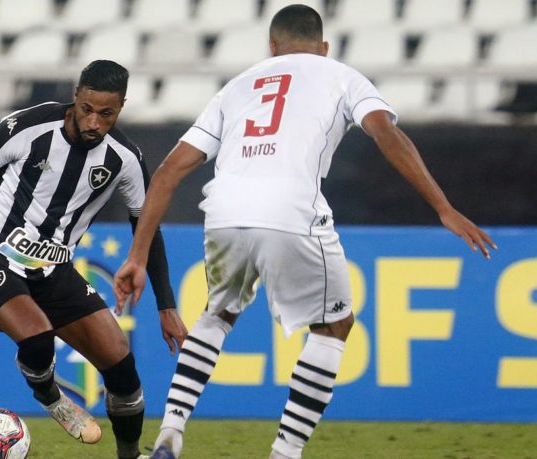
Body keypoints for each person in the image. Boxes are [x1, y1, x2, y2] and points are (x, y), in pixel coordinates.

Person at [113, 5, 497, 459]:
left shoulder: (237, 86)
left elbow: (168, 171)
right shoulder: (341, 75)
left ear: (272, 48)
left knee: (217, 314)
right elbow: (386, 133)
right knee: (335, 323)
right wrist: (443, 206)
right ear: (324, 47)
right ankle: (285, 452)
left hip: (223, 208)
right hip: (291, 209)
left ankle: (170, 435)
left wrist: (137, 256)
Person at [0, 60, 188, 459]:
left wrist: (166, 305)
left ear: (121, 108)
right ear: (76, 97)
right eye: (87, 109)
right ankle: (49, 394)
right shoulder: (28, 128)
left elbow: (148, 227)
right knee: (37, 335)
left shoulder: (124, 158)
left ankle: (129, 456)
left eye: (106, 114)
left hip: (51, 269)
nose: (94, 122)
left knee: (122, 367)